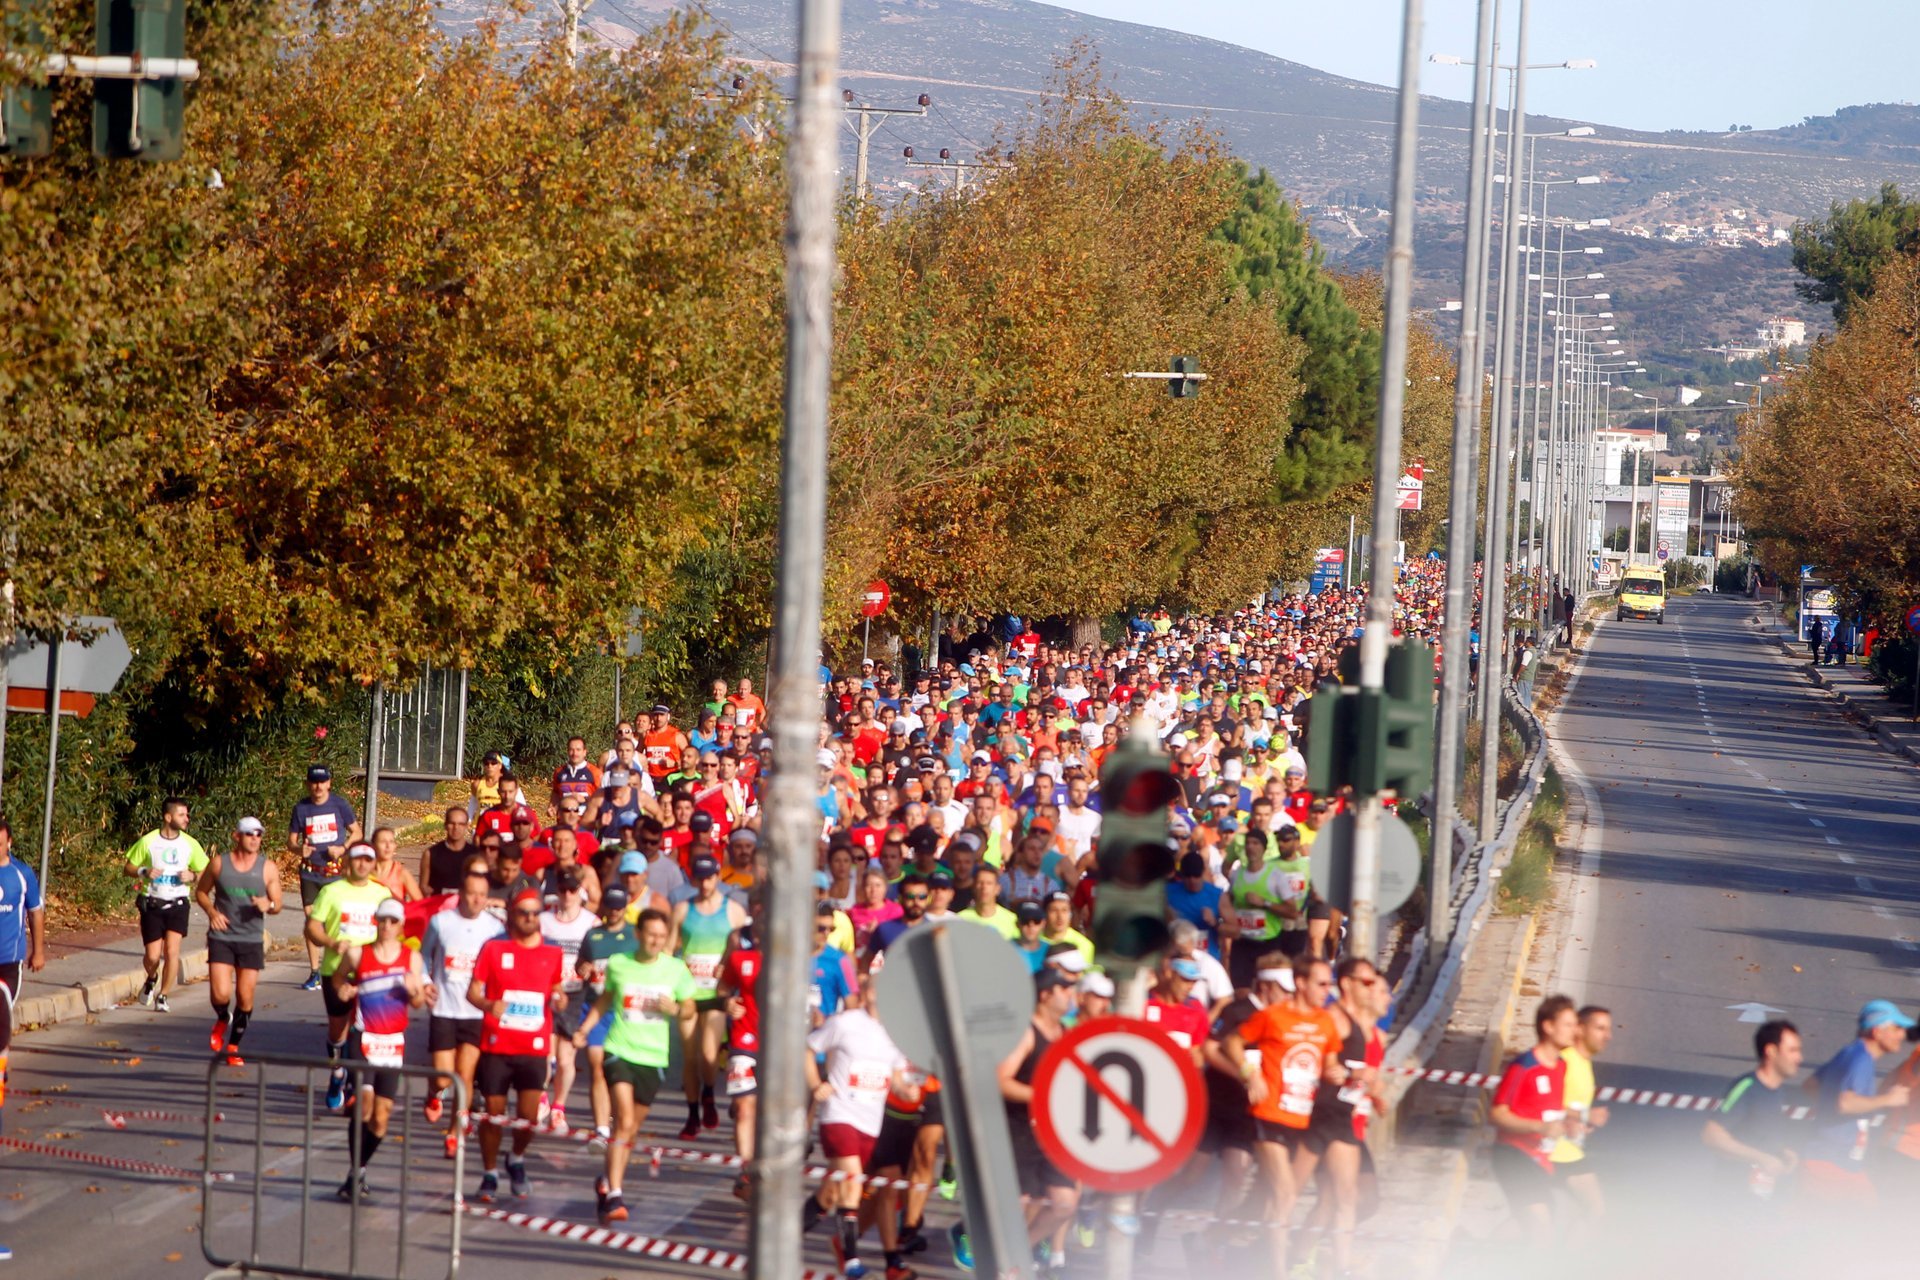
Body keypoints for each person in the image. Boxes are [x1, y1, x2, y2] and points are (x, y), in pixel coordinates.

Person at [1221, 955, 1345, 1280]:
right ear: (1300, 983)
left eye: (1329, 984)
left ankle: (1211, 1241)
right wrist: (1252, 1075)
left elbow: (1330, 1063)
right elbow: (1232, 1042)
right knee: (1286, 1194)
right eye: (1321, 984)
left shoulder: (1325, 1022)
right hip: (1267, 1114)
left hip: (1299, 1119)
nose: (1326, 990)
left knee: (1267, 1197)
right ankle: (1276, 1271)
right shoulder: (1273, 1016)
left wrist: (1338, 1072)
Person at [573, 907, 696, 1225]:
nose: (655, 941)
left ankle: (605, 1180)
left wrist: (677, 1008)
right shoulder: (620, 964)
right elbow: (605, 999)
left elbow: (690, 1009)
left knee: (630, 1130)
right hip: (619, 1049)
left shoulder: (676, 969)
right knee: (624, 1119)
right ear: (638, 934)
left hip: (653, 1056)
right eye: (650, 934)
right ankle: (615, 1193)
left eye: (661, 936)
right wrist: (585, 1030)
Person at [804, 976, 917, 1280]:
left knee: (831, 1194)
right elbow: (808, 1048)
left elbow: (895, 1076)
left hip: (870, 1123)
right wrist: (817, 1084)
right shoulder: (844, 1022)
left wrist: (907, 1091)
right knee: (852, 1183)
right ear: (865, 993)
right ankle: (849, 1258)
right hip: (839, 1115)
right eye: (870, 988)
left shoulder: (894, 1032)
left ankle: (788, 1232)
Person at [467, 888, 568, 1203]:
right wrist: (487, 1004)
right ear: (511, 913)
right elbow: (473, 992)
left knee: (528, 1117)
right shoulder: (494, 948)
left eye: (535, 913)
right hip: (497, 1047)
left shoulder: (553, 953)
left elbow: (557, 989)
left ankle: (517, 1158)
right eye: (524, 912)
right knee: (494, 1114)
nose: (530, 918)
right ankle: (489, 1173)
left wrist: (561, 999)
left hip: (533, 1048)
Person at [332, 898, 431, 1202]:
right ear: (376, 922)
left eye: (392, 921)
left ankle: (357, 1171)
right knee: (364, 1105)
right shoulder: (358, 954)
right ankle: (356, 1169)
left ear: (401, 926)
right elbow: (337, 978)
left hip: (392, 1043)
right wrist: (343, 989)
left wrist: (416, 992)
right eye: (383, 920)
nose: (387, 926)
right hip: (363, 1038)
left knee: (382, 1118)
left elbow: (417, 1003)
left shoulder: (412, 959)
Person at [1294, 955, 1387, 1276]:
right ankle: (1283, 1259)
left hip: (1342, 1118)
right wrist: (1340, 1071)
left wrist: (1369, 1087)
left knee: (1344, 1198)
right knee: (1286, 1193)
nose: (1372, 988)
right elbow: (1316, 1058)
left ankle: (1338, 1267)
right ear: (1347, 983)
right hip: (1317, 1115)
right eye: (1366, 982)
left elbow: (1349, 1068)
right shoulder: (1333, 1017)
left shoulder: (1359, 1022)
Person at [420, 868, 504, 1155]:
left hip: (476, 1013)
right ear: (460, 893)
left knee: (465, 1076)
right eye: (471, 894)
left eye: (482, 895)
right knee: (443, 1077)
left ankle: (455, 1132)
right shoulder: (441, 922)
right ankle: (434, 1094)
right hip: (444, 1008)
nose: (477, 900)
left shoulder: (494, 928)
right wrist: (425, 982)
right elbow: (422, 956)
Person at [305, 842, 394, 1112]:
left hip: (371, 973)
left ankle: (356, 1086)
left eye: (368, 859)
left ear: (373, 863)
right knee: (338, 1029)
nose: (363, 864)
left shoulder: (382, 893)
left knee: (365, 1031)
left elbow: (394, 928)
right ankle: (337, 1074)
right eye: (358, 859)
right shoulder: (332, 892)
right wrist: (333, 943)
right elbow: (312, 927)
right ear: (348, 862)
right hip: (336, 970)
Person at [1800, 998, 1913, 1202]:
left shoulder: (1849, 1053)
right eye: (1896, 1028)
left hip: (1839, 1162)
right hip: (1831, 1164)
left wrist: (1829, 1111)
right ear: (1877, 1031)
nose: (1902, 1035)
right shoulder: (1862, 1059)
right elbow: (1845, 1103)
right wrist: (1887, 1099)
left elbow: (1811, 1085)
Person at [1488, 994, 1578, 1241]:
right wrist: (1539, 1126)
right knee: (1541, 1229)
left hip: (1540, 1158)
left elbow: (1547, 1108)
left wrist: (1569, 1123)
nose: (1575, 1031)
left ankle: (1471, 1254)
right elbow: (1497, 1114)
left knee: (1531, 1225)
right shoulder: (1523, 1067)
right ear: (1548, 1027)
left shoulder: (1560, 1066)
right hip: (1513, 1155)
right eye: (1568, 1024)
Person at [194, 816, 283, 1065]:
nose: (255, 838)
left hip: (251, 938)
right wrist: (212, 912)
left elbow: (278, 904)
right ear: (237, 836)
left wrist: (269, 904)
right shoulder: (219, 864)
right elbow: (200, 891)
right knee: (220, 994)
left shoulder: (267, 868)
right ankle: (223, 1018)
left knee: (245, 996)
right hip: (222, 936)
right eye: (249, 833)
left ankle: (233, 1045)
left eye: (258, 834)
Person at [672, 854, 748, 1139]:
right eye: (699, 878)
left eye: (709, 878)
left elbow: (743, 950)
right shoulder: (682, 910)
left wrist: (728, 967)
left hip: (717, 993)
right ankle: (693, 1115)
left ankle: (707, 1093)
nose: (704, 884)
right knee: (689, 1058)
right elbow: (669, 950)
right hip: (688, 994)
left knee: (708, 1054)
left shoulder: (733, 911)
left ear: (718, 877)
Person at [1702, 1018, 1803, 1203]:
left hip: (1760, 1200)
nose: (1799, 1058)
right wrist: (1761, 1158)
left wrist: (1781, 1152)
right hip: (1732, 1201)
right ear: (1771, 1051)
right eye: (1792, 1050)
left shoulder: (1777, 1092)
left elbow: (1755, 1135)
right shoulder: (1747, 1087)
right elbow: (1712, 1135)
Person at [125, 797, 210, 1013]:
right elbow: (128, 867)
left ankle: (163, 996)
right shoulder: (149, 841)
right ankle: (152, 978)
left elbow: (207, 873)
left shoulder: (190, 844)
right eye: (182, 815)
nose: (186, 819)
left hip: (178, 903)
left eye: (187, 815)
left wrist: (192, 875)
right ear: (168, 817)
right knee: (152, 956)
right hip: (152, 903)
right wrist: (144, 872)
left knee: (172, 952)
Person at [290, 765, 362, 991]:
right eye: (314, 782)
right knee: (312, 922)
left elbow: (357, 832)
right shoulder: (301, 808)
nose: (318, 786)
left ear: (329, 783)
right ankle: (314, 972)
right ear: (308, 784)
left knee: (338, 921)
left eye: (322, 782)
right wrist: (298, 849)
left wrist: (343, 848)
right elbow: (291, 841)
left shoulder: (339, 804)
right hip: (310, 872)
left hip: (335, 871)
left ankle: (344, 966)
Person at [575, 886, 635, 1143]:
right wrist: (583, 968)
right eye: (610, 906)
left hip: (623, 1011)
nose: (614, 911)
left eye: (619, 907)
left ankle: (619, 1117)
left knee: (618, 1069)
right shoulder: (593, 936)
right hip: (595, 1008)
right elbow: (580, 966)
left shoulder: (635, 936)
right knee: (596, 1065)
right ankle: (601, 1127)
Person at [540, 874, 595, 1135]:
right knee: (545, 1056)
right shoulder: (544, 921)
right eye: (562, 890)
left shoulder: (590, 923)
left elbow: (600, 956)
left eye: (572, 890)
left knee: (565, 1058)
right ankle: (542, 1099)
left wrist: (590, 968)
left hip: (576, 996)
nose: (567, 895)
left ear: (580, 892)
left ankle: (558, 1107)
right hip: (548, 994)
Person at [1550, 1005, 1613, 1224]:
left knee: (1538, 1214)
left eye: (1608, 1029)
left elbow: (1567, 1104)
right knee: (1594, 1211)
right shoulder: (1564, 1061)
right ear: (1580, 1029)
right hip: (1552, 1152)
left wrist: (1580, 1125)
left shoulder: (1583, 1062)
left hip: (1566, 1150)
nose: (1608, 1036)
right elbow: (1545, 1102)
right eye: (1600, 1029)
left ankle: (1472, 1249)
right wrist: (1586, 1116)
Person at [716, 916, 763, 1198]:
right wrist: (727, 1002)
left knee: (767, 1113)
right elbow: (722, 988)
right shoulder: (739, 958)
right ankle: (746, 1172)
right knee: (745, 1108)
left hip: (779, 1045)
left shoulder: (794, 961)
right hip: (743, 1040)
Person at [0, 819, 46, 1003]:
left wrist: (38, 952)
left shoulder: (22, 874)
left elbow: (35, 913)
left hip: (9, 959)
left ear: (9, 843)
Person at [420, 806, 476, 896]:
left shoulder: (475, 855)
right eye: (452, 823)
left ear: (466, 826)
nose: (456, 827)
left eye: (461, 824)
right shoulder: (431, 854)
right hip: (438, 905)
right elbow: (423, 886)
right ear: (445, 825)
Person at [367, 825, 422, 902]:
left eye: (391, 842)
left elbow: (420, 904)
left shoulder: (401, 873)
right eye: (383, 842)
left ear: (395, 846)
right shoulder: (365, 871)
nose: (388, 846)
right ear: (373, 846)